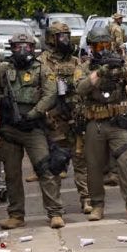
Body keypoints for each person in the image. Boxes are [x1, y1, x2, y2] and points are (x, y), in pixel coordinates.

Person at [0, 32, 65, 230]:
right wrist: (1, 100)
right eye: (18, 46)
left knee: (46, 170)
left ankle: (55, 212)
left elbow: (50, 94)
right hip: (9, 128)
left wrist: (34, 113)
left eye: (27, 46)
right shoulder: (4, 68)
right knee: (12, 174)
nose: (23, 50)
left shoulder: (42, 69)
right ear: (11, 48)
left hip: (33, 128)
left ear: (33, 48)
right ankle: (16, 215)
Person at [75, 26, 127, 223]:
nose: (102, 49)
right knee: (94, 165)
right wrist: (101, 71)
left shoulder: (119, 62)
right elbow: (80, 88)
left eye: (105, 44)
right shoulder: (85, 66)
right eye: (98, 45)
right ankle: (97, 205)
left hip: (118, 123)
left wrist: (122, 71)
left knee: (125, 162)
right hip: (95, 122)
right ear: (91, 47)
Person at [40, 22, 90, 213]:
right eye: (61, 37)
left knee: (81, 160)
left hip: (75, 116)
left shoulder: (76, 61)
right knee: (56, 163)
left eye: (67, 36)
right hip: (55, 119)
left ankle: (86, 199)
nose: (65, 40)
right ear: (52, 39)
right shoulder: (43, 61)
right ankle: (55, 206)